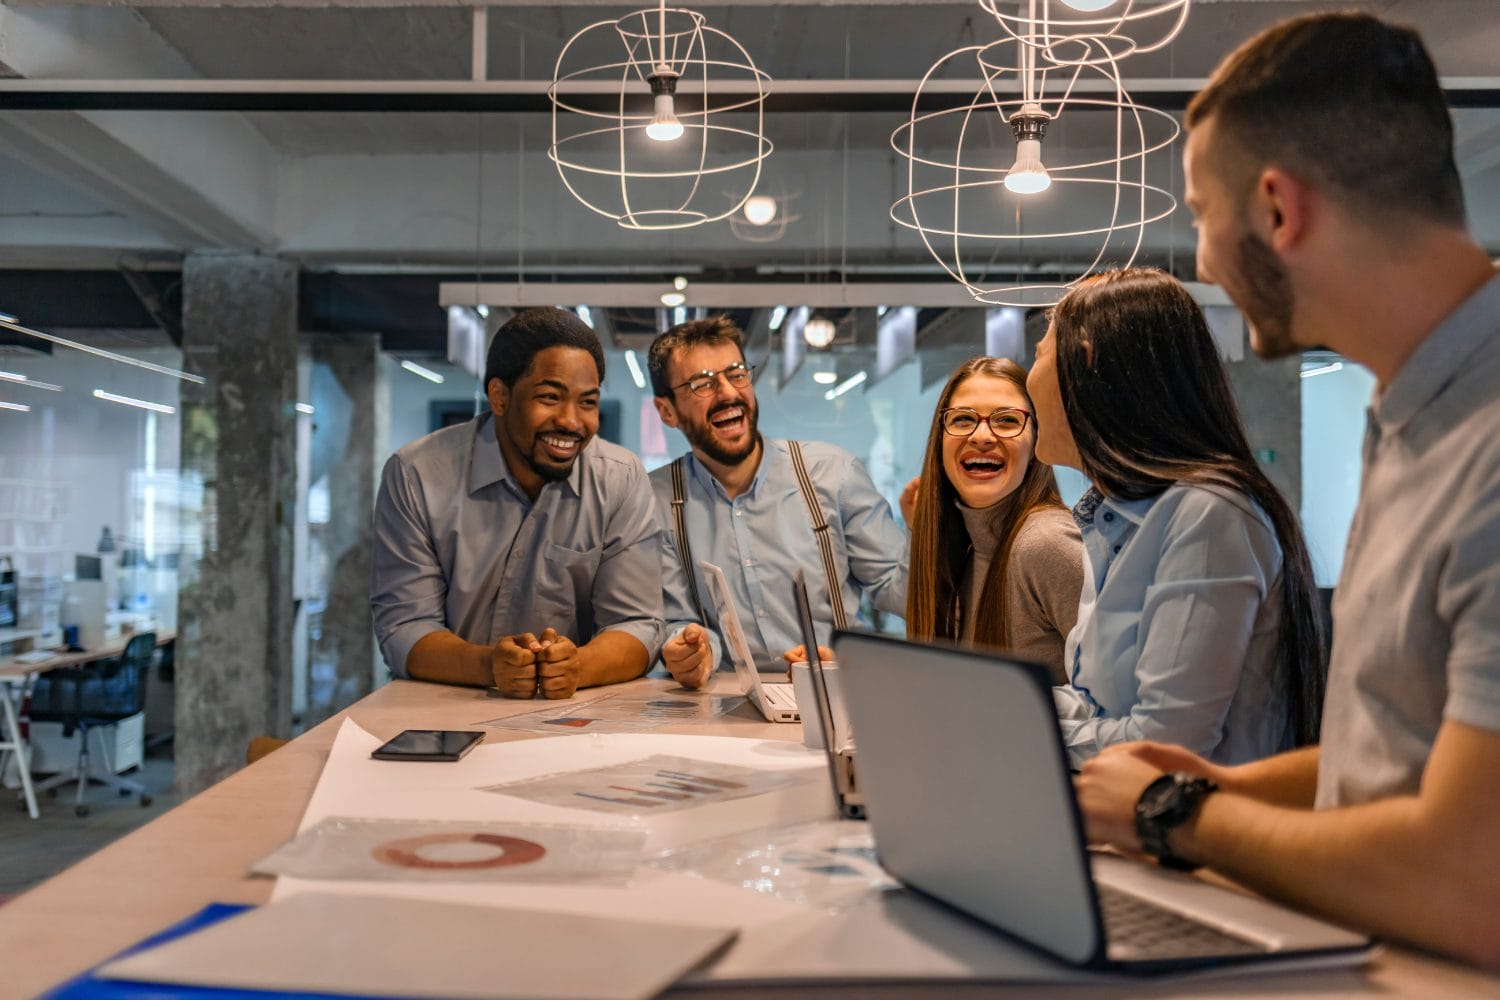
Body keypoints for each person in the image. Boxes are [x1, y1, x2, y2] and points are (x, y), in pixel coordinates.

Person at [1072, 13, 1500, 968]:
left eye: (1197, 214)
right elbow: (1399, 752)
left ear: (1276, 210)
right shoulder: (1416, 410)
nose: (1203, 258)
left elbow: (1474, 882)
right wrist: (1225, 787)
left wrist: (1173, 813)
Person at [1027, 267, 1324, 767]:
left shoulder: (1209, 514)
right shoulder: (1115, 518)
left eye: (1038, 353)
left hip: (1203, 840)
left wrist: (1018, 734)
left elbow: (1166, 745)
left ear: (1085, 361)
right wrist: (1004, 706)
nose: (1027, 376)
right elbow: (1099, 705)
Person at [371, 307, 663, 698]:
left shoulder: (620, 478)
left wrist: (577, 667)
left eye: (588, 402)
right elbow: (404, 627)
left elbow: (638, 623)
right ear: (500, 396)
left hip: (574, 713)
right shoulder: (416, 474)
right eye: (549, 397)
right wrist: (489, 666)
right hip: (445, 704)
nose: (572, 422)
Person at [647, 316, 907, 688]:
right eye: (702, 384)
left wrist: (923, 529)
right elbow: (675, 621)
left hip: (840, 690)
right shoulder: (656, 501)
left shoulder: (833, 475)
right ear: (667, 411)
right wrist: (690, 650)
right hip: (724, 707)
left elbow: (896, 591)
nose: (728, 393)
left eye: (736, 374)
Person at [902, 357, 1082, 683]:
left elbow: (1119, 699)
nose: (982, 435)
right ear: (939, 441)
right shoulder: (969, 547)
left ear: (1035, 447)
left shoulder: (1046, 544)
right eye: (962, 419)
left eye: (1007, 421)